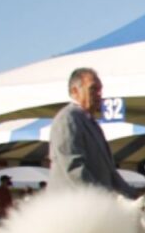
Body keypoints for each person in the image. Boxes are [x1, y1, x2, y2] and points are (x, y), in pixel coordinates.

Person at [48, 67, 135, 197]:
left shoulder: (91, 122)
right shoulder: (67, 119)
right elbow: (73, 167)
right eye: (93, 89)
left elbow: (110, 171)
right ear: (74, 91)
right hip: (73, 207)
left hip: (95, 206)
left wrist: (132, 195)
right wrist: (104, 197)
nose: (99, 94)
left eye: (100, 90)